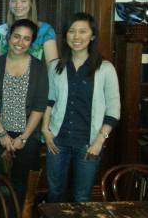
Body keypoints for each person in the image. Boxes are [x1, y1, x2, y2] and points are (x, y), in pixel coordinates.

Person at [42, 12, 120, 203]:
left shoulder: (106, 68)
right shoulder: (55, 67)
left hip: (89, 143)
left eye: (83, 31)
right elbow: (49, 100)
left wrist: (100, 141)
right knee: (54, 193)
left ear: (92, 36)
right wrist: (45, 129)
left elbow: (113, 110)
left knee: (82, 196)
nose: (77, 37)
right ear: (65, 35)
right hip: (57, 141)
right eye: (72, 31)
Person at [0, 19, 48, 208]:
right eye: (17, 36)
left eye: (26, 39)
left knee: (22, 186)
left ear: (32, 42)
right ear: (9, 37)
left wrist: (24, 137)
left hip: (27, 135)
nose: (20, 42)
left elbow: (39, 105)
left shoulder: (38, 67)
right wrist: (2, 133)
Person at [0, 0, 58, 64]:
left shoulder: (45, 31)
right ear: (9, 3)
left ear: (31, 3)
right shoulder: (1, 31)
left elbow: (52, 67)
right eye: (14, 1)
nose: (18, 5)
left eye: (23, 1)